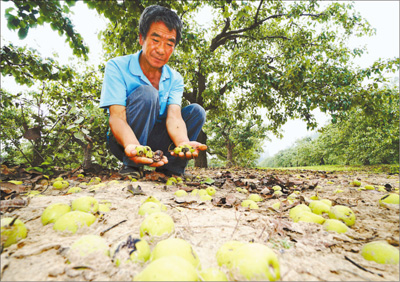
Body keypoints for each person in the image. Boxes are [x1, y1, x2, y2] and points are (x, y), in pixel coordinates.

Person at [100, 5, 206, 179]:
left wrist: (183, 143)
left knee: (196, 111)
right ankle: (132, 165)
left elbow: (174, 117)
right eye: (155, 40)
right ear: (142, 39)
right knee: (148, 93)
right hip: (125, 141)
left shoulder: (175, 78)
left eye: (169, 43)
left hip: (157, 139)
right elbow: (117, 117)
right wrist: (133, 146)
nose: (161, 50)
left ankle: (171, 169)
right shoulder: (117, 66)